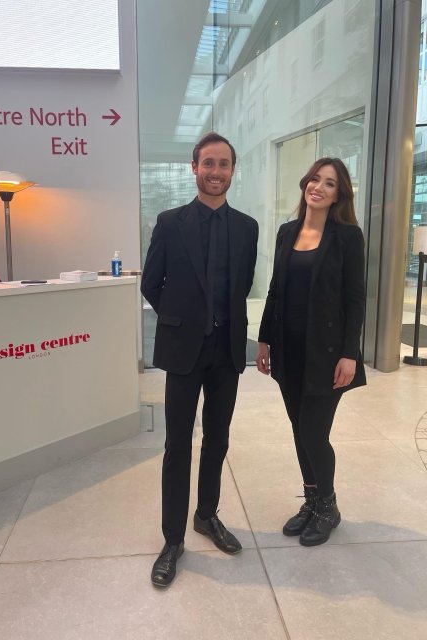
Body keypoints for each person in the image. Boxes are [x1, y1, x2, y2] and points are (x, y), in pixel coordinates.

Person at [141, 132, 258, 586]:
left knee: (218, 439)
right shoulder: (170, 223)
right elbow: (151, 283)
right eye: (208, 163)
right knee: (177, 445)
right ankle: (173, 539)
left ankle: (206, 515)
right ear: (194, 168)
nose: (215, 171)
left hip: (227, 350)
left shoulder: (247, 227)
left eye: (223, 164)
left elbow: (244, 283)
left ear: (232, 170)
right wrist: (181, 318)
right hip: (184, 349)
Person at [256, 157, 366, 546]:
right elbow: (275, 290)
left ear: (339, 195)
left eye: (329, 183)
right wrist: (264, 339)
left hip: (328, 353)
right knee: (297, 428)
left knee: (313, 432)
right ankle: (312, 500)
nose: (318, 187)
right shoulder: (287, 232)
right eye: (315, 179)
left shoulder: (348, 237)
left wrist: (350, 353)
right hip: (289, 350)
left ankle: (329, 507)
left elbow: (355, 298)